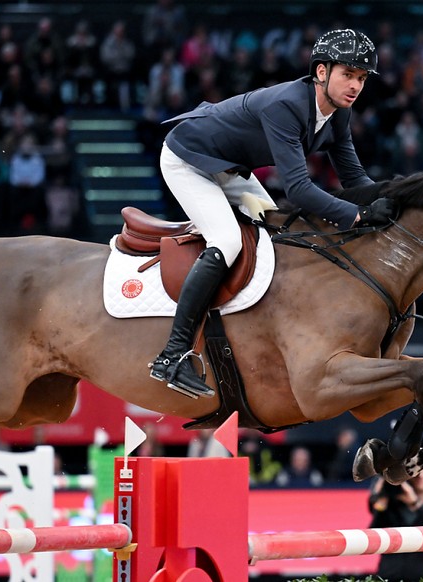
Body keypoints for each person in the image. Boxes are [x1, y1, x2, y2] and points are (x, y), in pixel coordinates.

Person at [148, 28, 396, 399]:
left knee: (277, 231)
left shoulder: (338, 114)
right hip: (188, 160)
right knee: (228, 241)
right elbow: (298, 189)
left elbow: (354, 179)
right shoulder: (287, 105)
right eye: (348, 74)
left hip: (228, 167)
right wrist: (358, 217)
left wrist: (395, 200)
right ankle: (172, 355)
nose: (356, 86)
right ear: (322, 72)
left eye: (361, 78)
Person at [368, 462, 423, 582]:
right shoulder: (392, 507)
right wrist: (381, 498)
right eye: (417, 472)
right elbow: (374, 533)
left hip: (421, 577)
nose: (420, 476)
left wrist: (415, 503)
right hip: (387, 577)